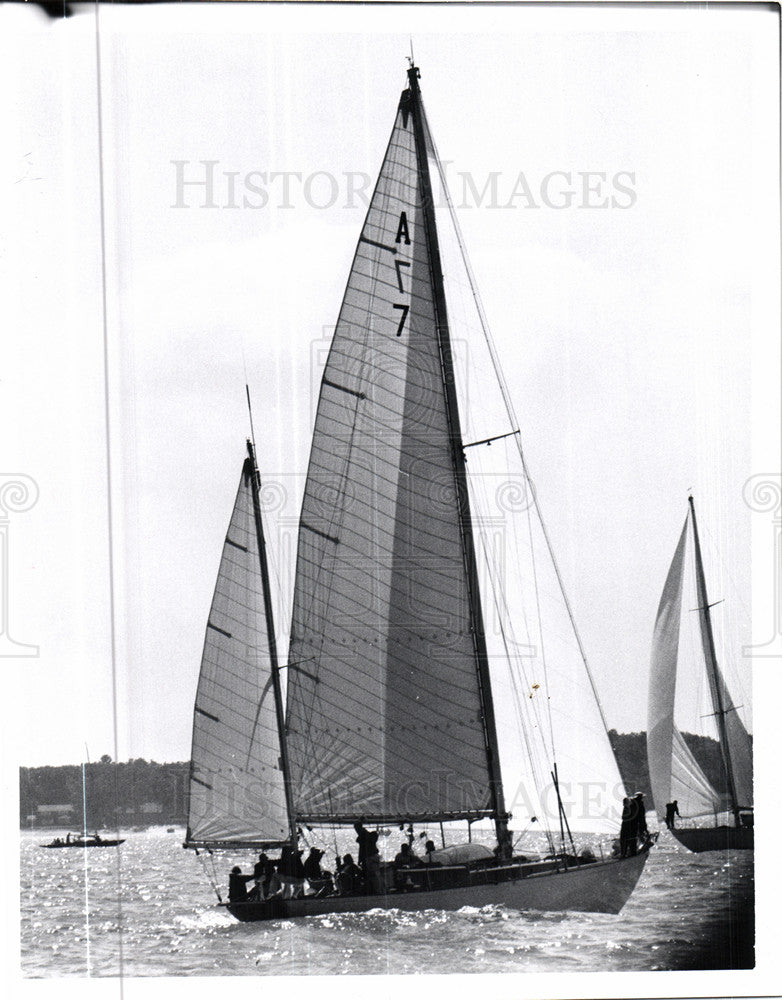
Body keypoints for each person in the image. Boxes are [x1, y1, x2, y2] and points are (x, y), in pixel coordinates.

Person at [354, 819, 382, 894]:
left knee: (372, 874)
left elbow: (362, 849)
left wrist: (360, 859)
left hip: (369, 857)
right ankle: (377, 889)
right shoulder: (367, 834)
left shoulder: (363, 835)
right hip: (373, 856)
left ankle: (376, 890)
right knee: (374, 874)